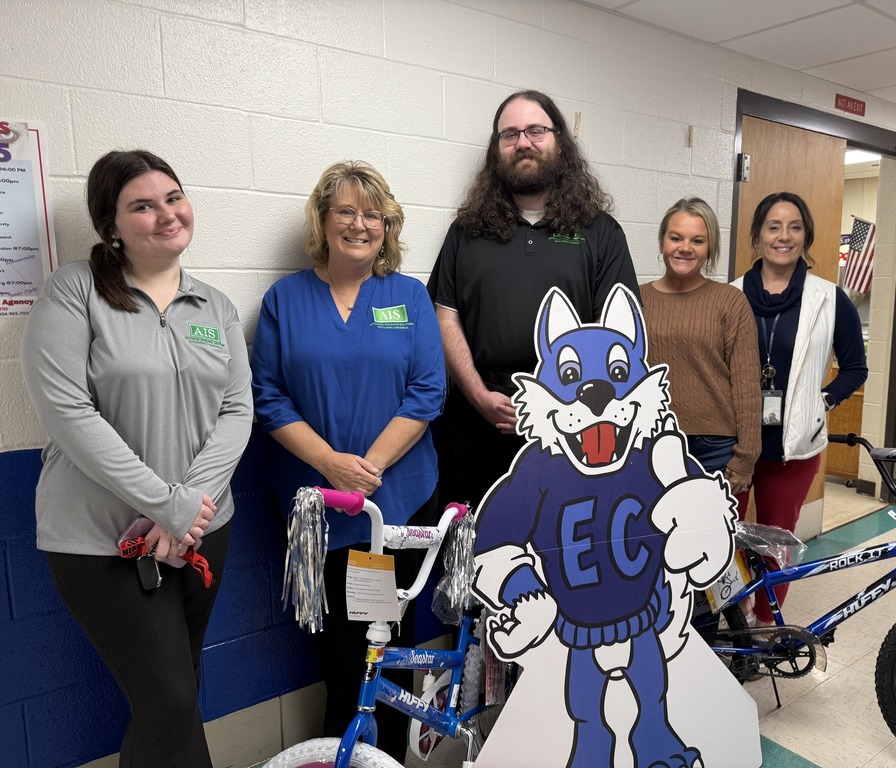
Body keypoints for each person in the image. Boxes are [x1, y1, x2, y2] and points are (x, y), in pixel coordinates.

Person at [20, 150, 253, 767]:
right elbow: (68, 412)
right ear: (111, 225)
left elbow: (237, 411)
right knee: (172, 701)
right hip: (102, 539)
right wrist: (167, 505)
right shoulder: (75, 292)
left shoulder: (216, 308)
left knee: (171, 700)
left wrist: (187, 509)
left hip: (203, 530)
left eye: (173, 197)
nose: (165, 215)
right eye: (141, 206)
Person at [251, 161, 445, 760]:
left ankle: (382, 757)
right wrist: (333, 466)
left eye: (374, 215)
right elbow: (269, 395)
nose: (360, 225)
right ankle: (343, 755)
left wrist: (368, 469)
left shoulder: (407, 296)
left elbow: (427, 391)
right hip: (319, 509)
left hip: (388, 505)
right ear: (323, 219)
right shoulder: (286, 299)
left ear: (388, 227)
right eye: (346, 212)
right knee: (337, 653)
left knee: (381, 649)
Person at [427, 89, 639, 510]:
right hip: (478, 420)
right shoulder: (466, 232)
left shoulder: (601, 232)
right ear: (497, 149)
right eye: (510, 134)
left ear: (559, 140)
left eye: (535, 130)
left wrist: (556, 400)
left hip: (572, 424)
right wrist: (477, 395)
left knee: (556, 553)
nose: (523, 142)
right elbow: (444, 315)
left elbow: (617, 333)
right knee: (470, 554)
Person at [732, 191, 868, 625]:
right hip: (734, 443)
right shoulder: (730, 295)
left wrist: (819, 402)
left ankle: (768, 630)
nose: (784, 236)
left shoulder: (830, 298)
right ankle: (734, 624)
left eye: (794, 227)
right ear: (757, 236)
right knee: (724, 540)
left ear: (806, 236)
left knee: (776, 543)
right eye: (774, 227)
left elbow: (855, 368)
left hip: (793, 447)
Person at [640, 197, 761, 494]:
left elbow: (746, 386)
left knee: (709, 540)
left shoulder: (730, 301)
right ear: (662, 242)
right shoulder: (635, 298)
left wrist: (746, 456)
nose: (685, 247)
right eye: (676, 237)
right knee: (651, 536)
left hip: (715, 448)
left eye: (697, 240)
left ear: (709, 249)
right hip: (647, 441)